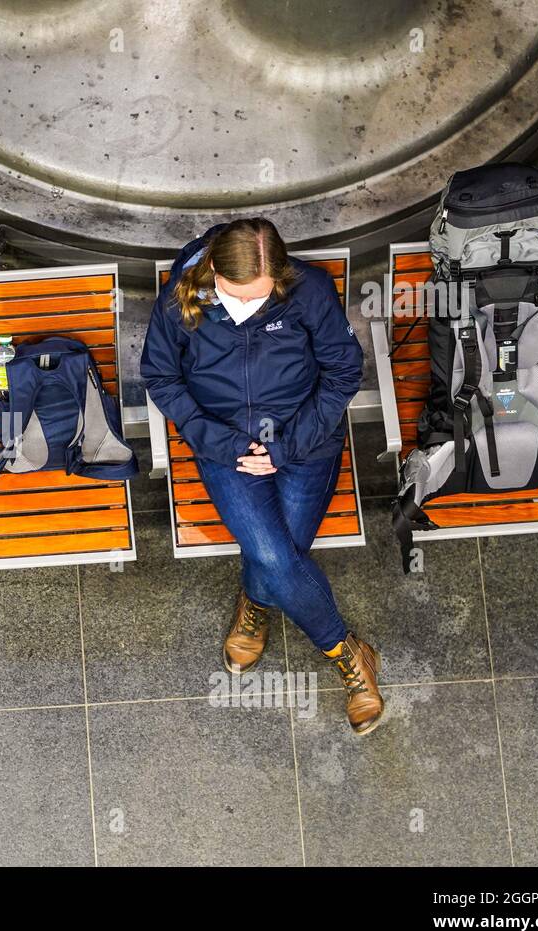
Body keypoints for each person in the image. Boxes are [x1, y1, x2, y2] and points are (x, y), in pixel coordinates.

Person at [141, 218, 383, 734]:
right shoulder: (181, 297)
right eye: (236, 294)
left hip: (304, 442)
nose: (248, 305)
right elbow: (161, 377)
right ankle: (349, 656)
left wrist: (287, 446)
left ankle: (256, 603)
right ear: (213, 271)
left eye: (261, 294)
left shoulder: (308, 287)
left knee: (277, 554)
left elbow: (343, 370)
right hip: (226, 446)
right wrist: (223, 443)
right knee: (277, 554)